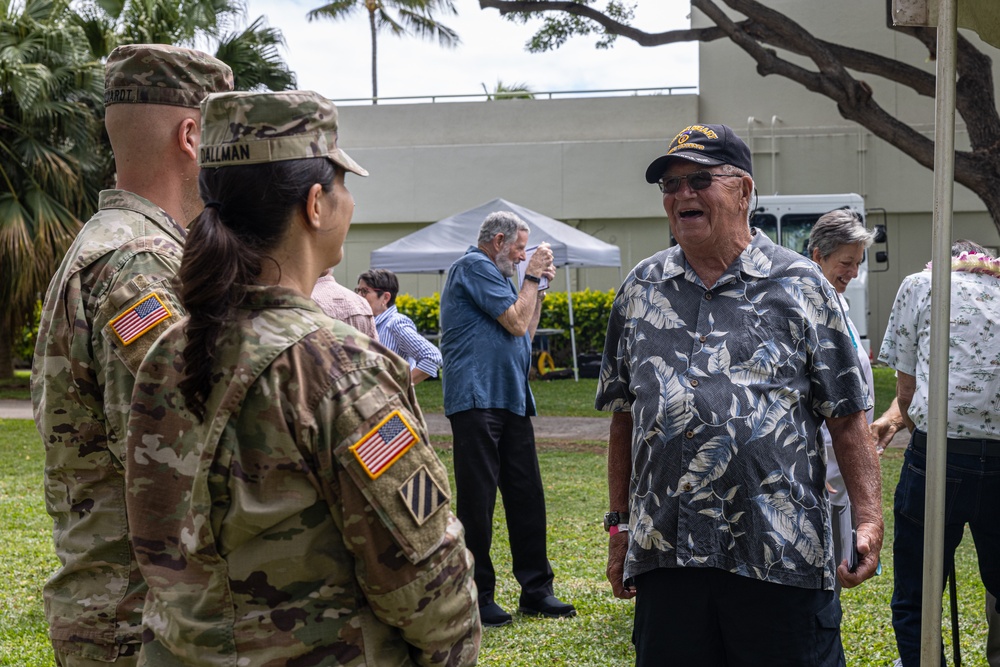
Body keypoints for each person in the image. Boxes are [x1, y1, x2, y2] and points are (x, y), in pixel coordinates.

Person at [123, 89, 479, 666]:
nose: (351, 202)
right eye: (345, 185)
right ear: (316, 204)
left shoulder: (168, 347)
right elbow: (427, 586)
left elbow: (151, 535)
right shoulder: (340, 366)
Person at [595, 123, 883, 666]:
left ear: (743, 191)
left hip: (778, 551)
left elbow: (848, 416)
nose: (682, 194)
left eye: (699, 180)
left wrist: (868, 518)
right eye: (671, 184)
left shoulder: (802, 285)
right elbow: (624, 419)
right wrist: (620, 527)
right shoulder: (640, 289)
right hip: (668, 555)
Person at [30, 44, 233, 666]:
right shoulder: (140, 266)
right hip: (138, 625)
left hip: (126, 613)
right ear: (193, 136)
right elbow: (177, 457)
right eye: (232, 137)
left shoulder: (120, 248)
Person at [439, 211, 575, 627]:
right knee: (478, 504)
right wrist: (530, 279)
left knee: (527, 497)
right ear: (498, 240)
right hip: (476, 399)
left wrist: (540, 287)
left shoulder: (498, 275)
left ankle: (537, 592)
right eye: (519, 248)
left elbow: (524, 333)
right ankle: (477, 598)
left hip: (511, 399)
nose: (521, 257)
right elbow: (516, 321)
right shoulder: (472, 266)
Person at [875, 238, 1000, 667]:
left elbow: (905, 393)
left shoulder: (922, 284)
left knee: (917, 595)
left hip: (940, 454)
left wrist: (914, 430)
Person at [807, 209, 877, 592]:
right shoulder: (805, 305)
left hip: (842, 462)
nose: (853, 273)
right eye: (846, 263)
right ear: (818, 255)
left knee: (839, 565)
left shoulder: (839, 303)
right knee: (821, 576)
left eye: (858, 264)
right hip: (821, 467)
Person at [357, 268, 441, 384]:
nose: (359, 296)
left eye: (365, 291)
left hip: (390, 401)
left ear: (385, 297)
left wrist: (400, 387)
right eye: (358, 290)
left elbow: (433, 357)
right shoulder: (369, 323)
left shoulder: (396, 323)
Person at [311, 267, 378, 339]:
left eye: (365, 291)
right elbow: (374, 347)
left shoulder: (305, 301)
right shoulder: (362, 303)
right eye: (358, 290)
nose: (360, 294)